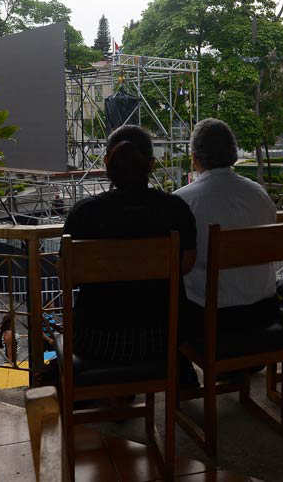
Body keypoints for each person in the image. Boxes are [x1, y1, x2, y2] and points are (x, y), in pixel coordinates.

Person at [62, 125, 197, 363]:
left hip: (96, 340)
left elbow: (66, 274)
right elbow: (186, 264)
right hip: (163, 338)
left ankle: (114, 394)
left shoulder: (84, 214)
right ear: (151, 164)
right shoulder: (174, 209)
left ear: (107, 162)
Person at [174, 118, 279, 340]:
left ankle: (180, 371)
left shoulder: (182, 201)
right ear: (232, 152)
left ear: (194, 158)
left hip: (214, 318)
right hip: (266, 310)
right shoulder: (259, 194)